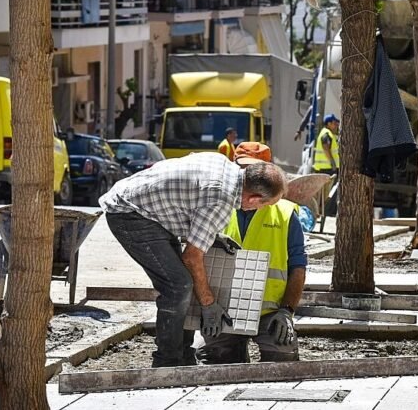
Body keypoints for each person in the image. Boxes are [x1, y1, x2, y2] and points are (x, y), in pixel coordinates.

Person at [99, 152, 287, 367]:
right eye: (265, 204)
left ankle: (184, 355)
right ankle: (167, 363)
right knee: (178, 286)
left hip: (147, 207)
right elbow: (192, 257)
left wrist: (212, 235)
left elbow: (191, 199)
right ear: (253, 198)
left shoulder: (223, 164)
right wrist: (209, 304)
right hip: (129, 214)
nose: (261, 209)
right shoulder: (222, 200)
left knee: (183, 282)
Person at [200, 142, 307, 363]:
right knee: (216, 361)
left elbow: (298, 267)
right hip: (223, 312)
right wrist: (207, 306)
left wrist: (287, 311)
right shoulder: (217, 206)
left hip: (269, 314)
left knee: (283, 358)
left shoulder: (285, 214)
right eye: (244, 169)